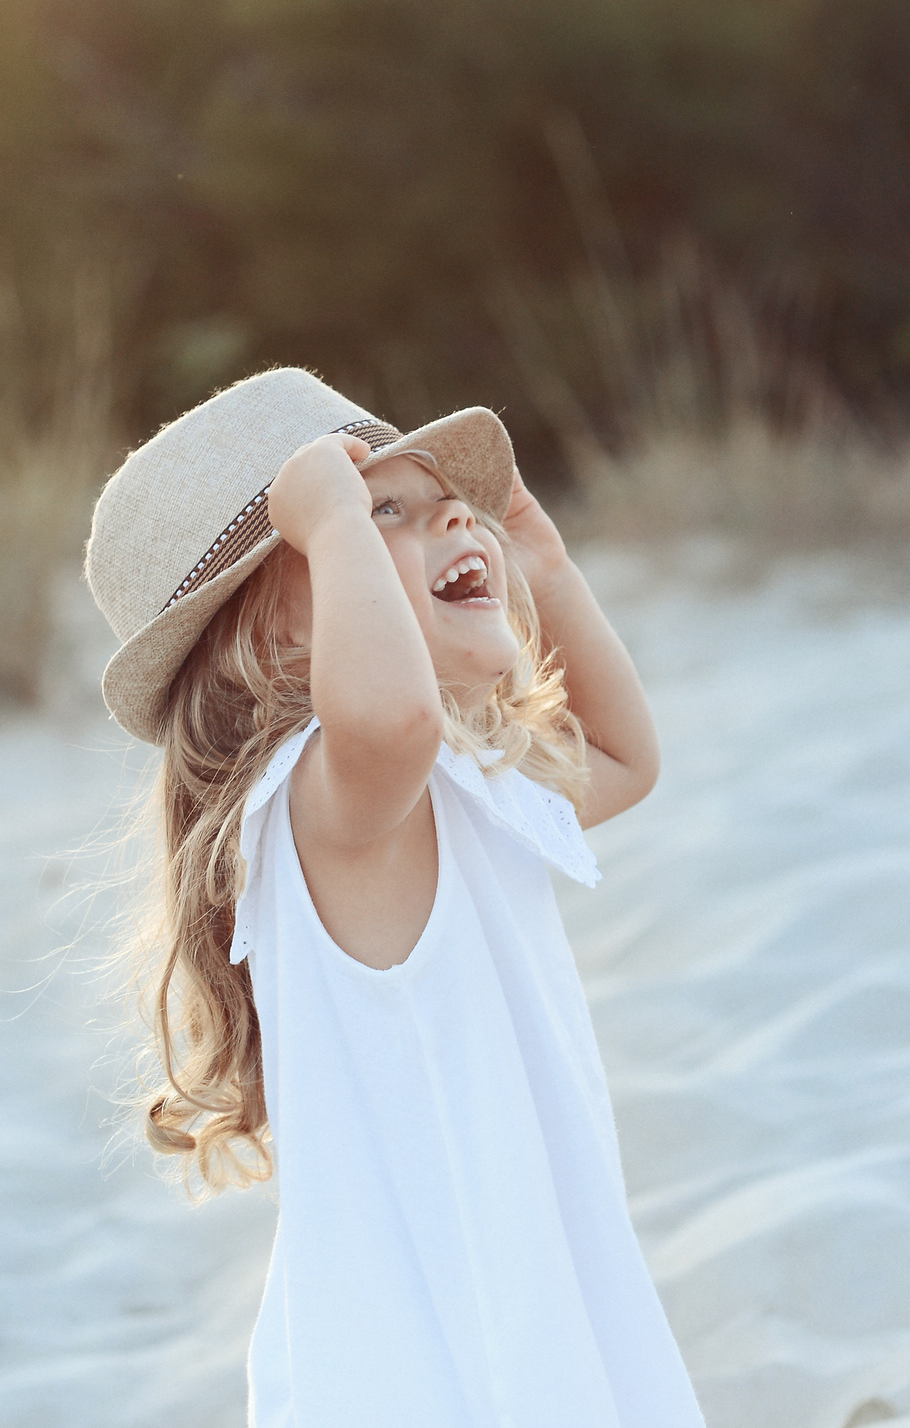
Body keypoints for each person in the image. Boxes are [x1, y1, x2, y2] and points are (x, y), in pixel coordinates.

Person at [81, 367, 705, 1427]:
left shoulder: (464, 788)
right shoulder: (323, 802)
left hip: (529, 1292)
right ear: (275, 641)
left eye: (443, 503)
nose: (454, 516)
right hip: (417, 1352)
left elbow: (624, 759)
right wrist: (329, 519)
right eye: (385, 514)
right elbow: (388, 720)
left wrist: (546, 572)